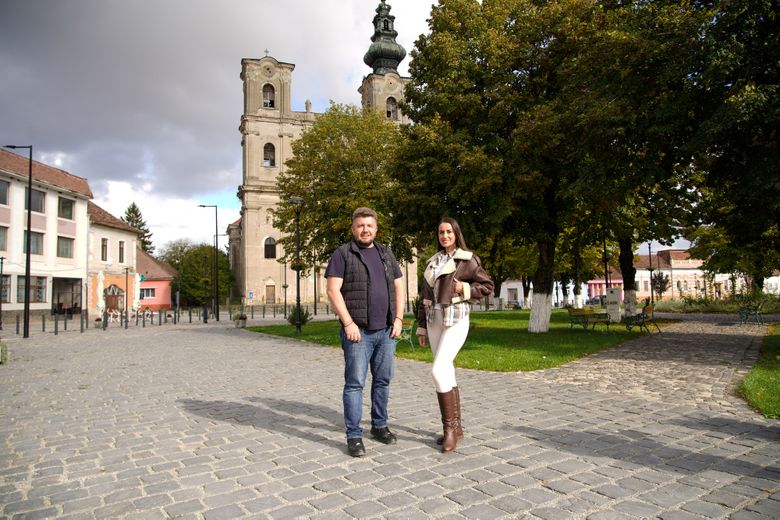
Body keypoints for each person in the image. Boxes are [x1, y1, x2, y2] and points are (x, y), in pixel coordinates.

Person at [326, 207, 405, 457]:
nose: (365, 229)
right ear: (353, 228)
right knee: (355, 384)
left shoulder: (385, 253)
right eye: (360, 225)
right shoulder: (343, 254)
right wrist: (348, 323)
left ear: (376, 228)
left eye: (369, 225)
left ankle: (379, 426)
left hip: (386, 331)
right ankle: (354, 436)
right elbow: (332, 290)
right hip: (358, 332)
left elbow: (399, 286)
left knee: (382, 381)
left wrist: (400, 318)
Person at [416, 217, 493, 452]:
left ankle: (448, 430)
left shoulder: (467, 260)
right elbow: (424, 296)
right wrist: (420, 326)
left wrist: (465, 288)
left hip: (456, 318)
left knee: (438, 369)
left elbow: (488, 286)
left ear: (456, 234)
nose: (445, 236)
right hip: (434, 319)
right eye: (441, 232)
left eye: (449, 231)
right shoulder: (433, 261)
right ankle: (457, 428)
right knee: (446, 370)